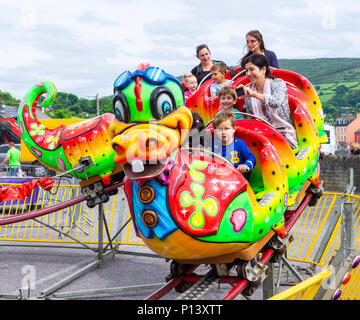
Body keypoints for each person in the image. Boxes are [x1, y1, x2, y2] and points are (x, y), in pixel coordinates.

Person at [237, 54, 298, 149]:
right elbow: (252, 119)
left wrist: (253, 94)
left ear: (263, 70)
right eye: (246, 71)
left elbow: (276, 102)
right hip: (261, 135)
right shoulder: (249, 93)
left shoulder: (278, 83)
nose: (248, 74)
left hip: (283, 133)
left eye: (252, 69)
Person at [212, 112, 256, 180]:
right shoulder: (214, 145)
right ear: (215, 131)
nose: (223, 132)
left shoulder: (240, 144)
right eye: (220, 129)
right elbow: (209, 161)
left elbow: (251, 158)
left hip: (239, 178)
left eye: (227, 129)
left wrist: (245, 165)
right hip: (221, 178)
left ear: (233, 129)